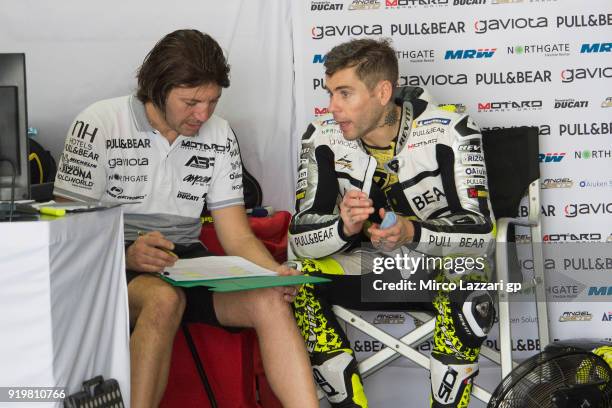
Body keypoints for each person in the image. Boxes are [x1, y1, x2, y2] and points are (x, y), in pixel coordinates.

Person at [53, 29, 318, 408]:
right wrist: (123, 255)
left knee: (271, 301)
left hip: (186, 264)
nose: (203, 114)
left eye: (212, 101)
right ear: (157, 89)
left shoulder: (219, 132)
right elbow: (64, 232)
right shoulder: (98, 122)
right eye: (191, 102)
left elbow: (237, 237)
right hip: (107, 269)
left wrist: (271, 274)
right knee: (162, 298)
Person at [288, 38, 496, 408]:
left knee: (471, 283)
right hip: (366, 269)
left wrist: (412, 231)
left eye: (345, 94)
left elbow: (482, 233)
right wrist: (343, 228)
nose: (332, 107)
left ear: (383, 91)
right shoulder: (321, 136)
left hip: (432, 270)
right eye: (331, 93)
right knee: (296, 280)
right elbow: (300, 234)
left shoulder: (453, 130)